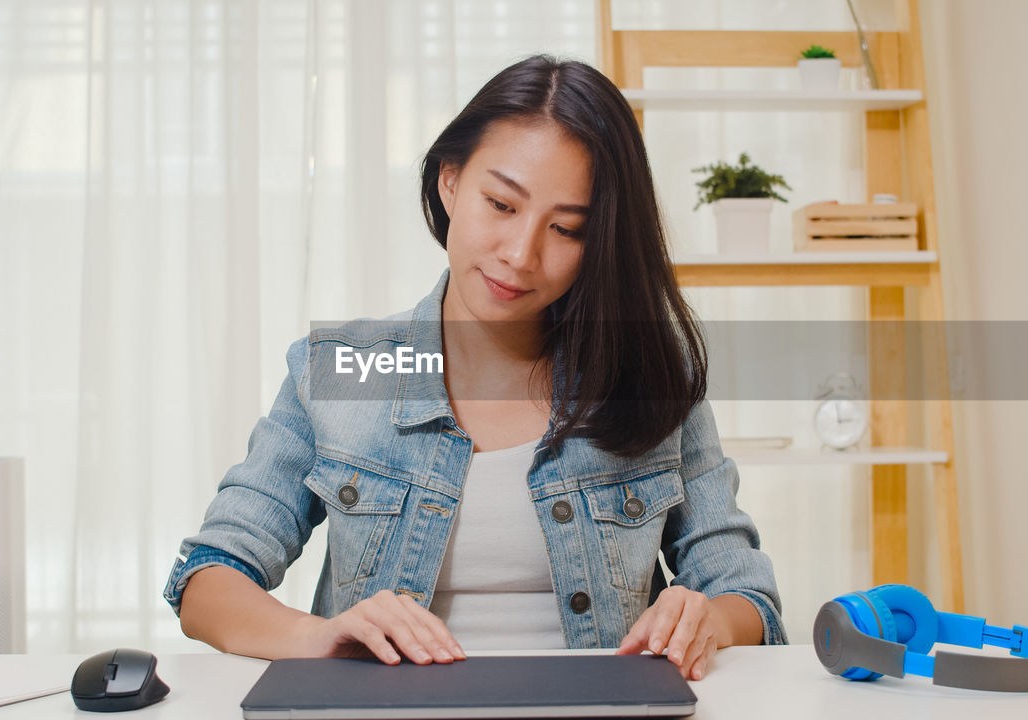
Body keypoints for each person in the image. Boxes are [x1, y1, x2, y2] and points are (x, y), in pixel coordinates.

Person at [163, 54, 785, 682]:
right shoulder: (340, 371)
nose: (520, 255)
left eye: (567, 229)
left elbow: (746, 595)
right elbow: (209, 578)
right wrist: (317, 636)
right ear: (450, 181)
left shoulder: (650, 373)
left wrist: (708, 617)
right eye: (500, 204)